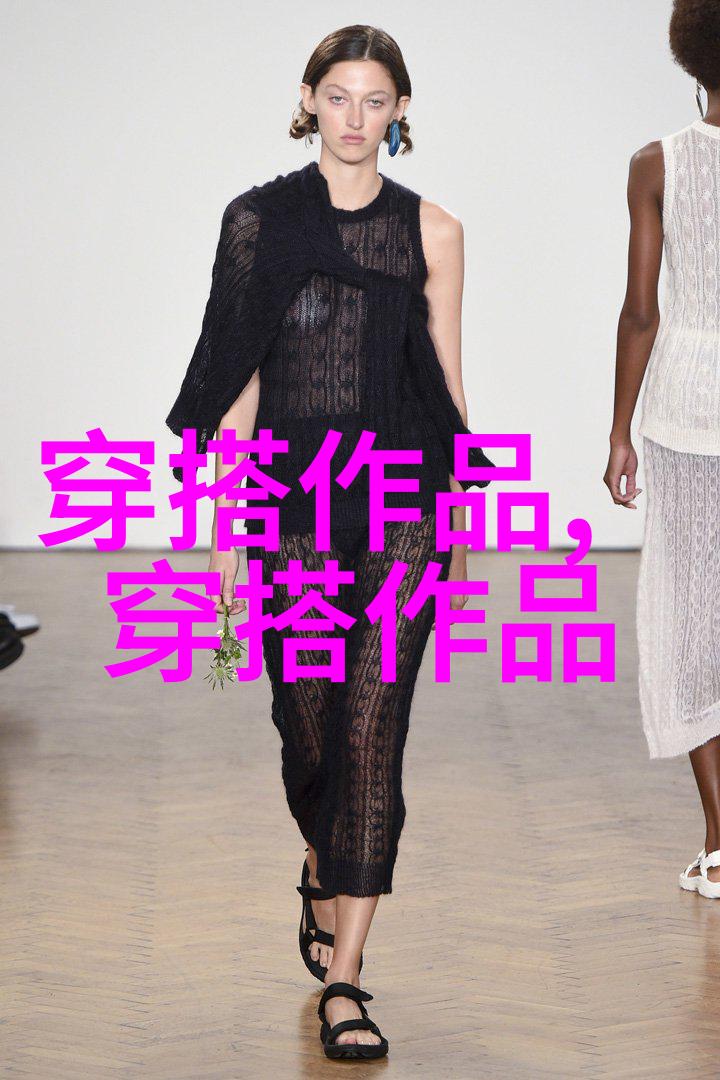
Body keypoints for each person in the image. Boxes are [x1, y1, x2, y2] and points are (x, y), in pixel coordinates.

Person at [166, 24, 494, 1060]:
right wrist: (227, 524)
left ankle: (347, 980)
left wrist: (462, 514)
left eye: (376, 99)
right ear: (308, 99)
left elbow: (447, 378)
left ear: (402, 111)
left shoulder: (433, 230)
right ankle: (322, 862)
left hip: (403, 506)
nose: (356, 118)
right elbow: (239, 374)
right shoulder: (259, 221)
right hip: (292, 511)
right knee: (308, 734)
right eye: (339, 96)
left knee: (370, 737)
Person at [605, 0, 720, 902]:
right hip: (686, 415)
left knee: (689, 618)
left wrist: (618, 430)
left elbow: (642, 309)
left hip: (685, 408)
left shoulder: (660, 163)